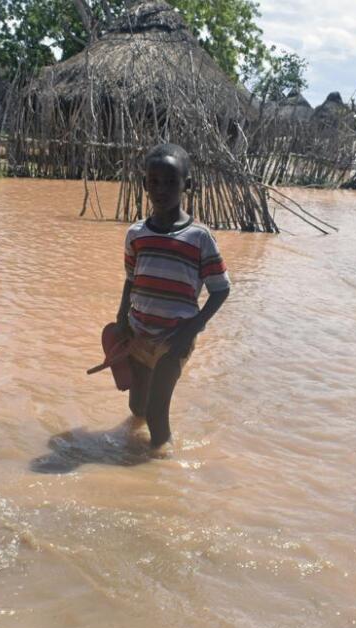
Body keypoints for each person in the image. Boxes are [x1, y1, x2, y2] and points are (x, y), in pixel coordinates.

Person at [114, 144, 230, 451]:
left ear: (187, 185)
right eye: (154, 182)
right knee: (137, 407)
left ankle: (161, 471)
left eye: (170, 182)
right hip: (139, 331)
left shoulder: (199, 238)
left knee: (155, 412)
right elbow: (130, 280)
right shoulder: (136, 234)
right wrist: (121, 318)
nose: (161, 189)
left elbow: (221, 289)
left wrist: (190, 331)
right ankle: (134, 456)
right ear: (144, 185)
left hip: (174, 338)